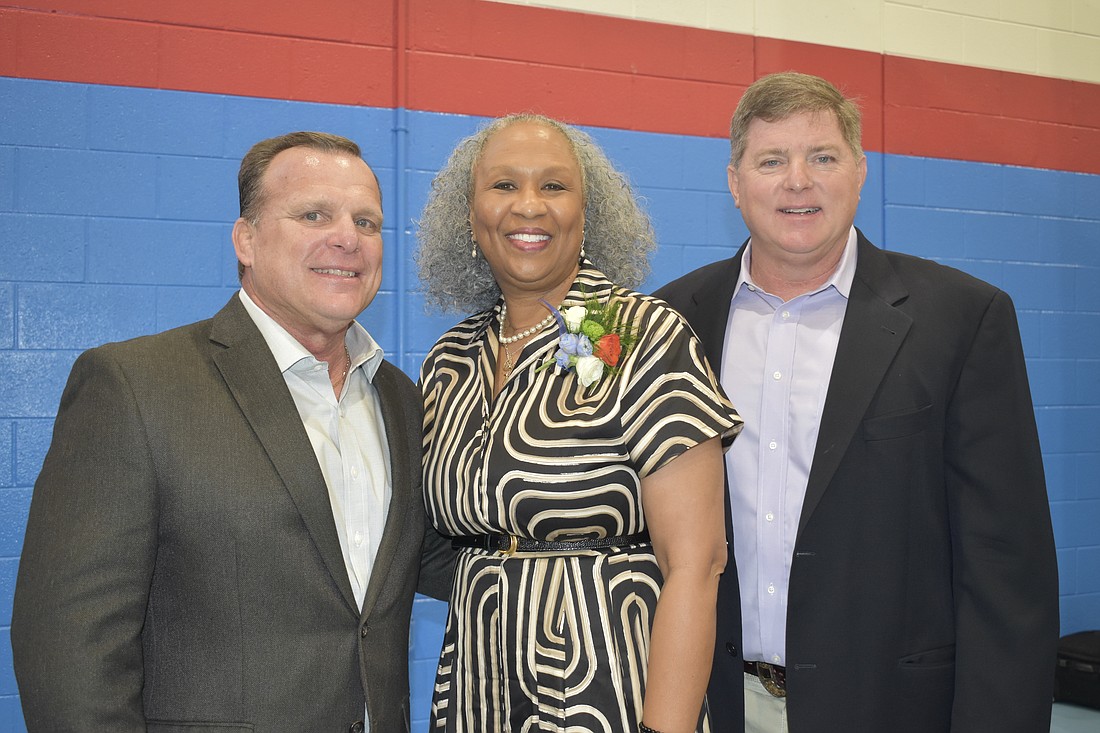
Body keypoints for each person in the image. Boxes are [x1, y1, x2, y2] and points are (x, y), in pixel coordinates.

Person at [655, 71, 1060, 732]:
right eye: (771, 160)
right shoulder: (672, 322)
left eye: (822, 156)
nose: (798, 180)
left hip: (894, 709)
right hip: (712, 703)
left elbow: (1007, 572)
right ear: (735, 182)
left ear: (860, 169)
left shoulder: (960, 318)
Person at [12, 131, 454, 732]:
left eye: (367, 222)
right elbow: (68, 644)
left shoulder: (401, 400)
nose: (348, 238)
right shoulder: (134, 386)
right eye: (313, 214)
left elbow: (445, 560)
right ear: (246, 240)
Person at [416, 113, 743, 733]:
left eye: (555, 186)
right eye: (504, 186)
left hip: (613, 690)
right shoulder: (449, 361)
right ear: (470, 214)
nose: (528, 206)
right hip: (475, 692)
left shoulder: (644, 336)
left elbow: (697, 562)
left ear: (587, 213)